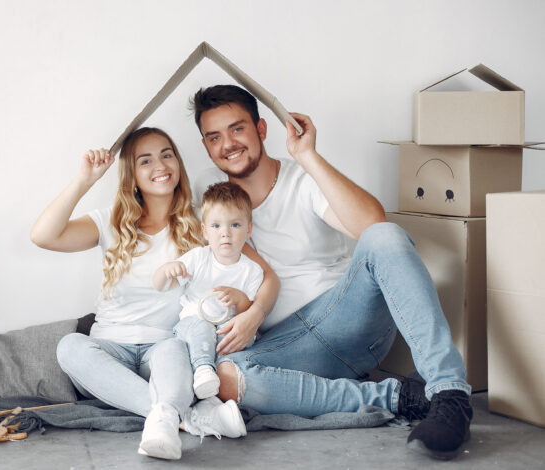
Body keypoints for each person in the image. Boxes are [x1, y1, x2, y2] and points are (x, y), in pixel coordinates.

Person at [188, 85, 473, 461]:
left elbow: (372, 223)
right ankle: (401, 398)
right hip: (285, 346)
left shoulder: (301, 180)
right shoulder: (207, 190)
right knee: (223, 377)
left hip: (346, 323)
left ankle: (450, 392)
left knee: (384, 237)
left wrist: (308, 156)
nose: (228, 143)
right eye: (214, 136)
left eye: (237, 129)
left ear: (261, 129)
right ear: (207, 146)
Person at [30, 127, 263, 460]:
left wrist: (253, 309)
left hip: (164, 351)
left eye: (167, 154)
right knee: (70, 346)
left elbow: (262, 274)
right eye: (146, 160)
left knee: (173, 348)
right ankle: (181, 416)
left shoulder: (202, 223)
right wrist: (85, 179)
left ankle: (167, 417)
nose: (160, 165)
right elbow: (43, 236)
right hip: (111, 352)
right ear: (132, 174)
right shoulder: (111, 221)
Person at [153, 181, 263, 401]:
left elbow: (249, 313)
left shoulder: (252, 270)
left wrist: (240, 300)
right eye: (216, 226)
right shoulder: (198, 258)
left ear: (248, 229)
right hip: (193, 324)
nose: (225, 234)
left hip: (224, 330)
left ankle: (217, 375)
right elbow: (159, 285)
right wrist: (167, 270)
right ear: (204, 231)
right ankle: (203, 370)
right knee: (202, 328)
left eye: (235, 225)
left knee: (239, 336)